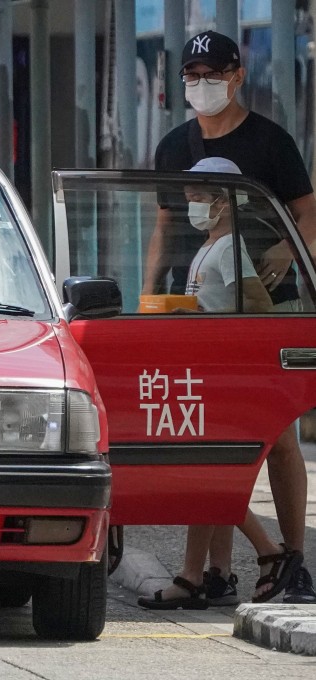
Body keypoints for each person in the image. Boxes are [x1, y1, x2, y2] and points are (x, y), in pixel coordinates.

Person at [141, 30, 316, 605]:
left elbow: (308, 215)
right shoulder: (174, 146)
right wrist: (147, 297)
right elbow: (166, 225)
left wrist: (286, 250)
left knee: (278, 437)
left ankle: (291, 559)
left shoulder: (270, 143)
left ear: (237, 76)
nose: (201, 85)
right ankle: (211, 571)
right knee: (209, 437)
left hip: (271, 308)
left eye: (212, 75)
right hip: (201, 308)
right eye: (192, 76)